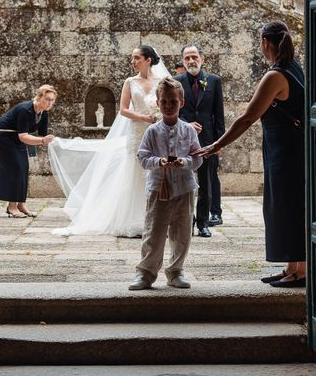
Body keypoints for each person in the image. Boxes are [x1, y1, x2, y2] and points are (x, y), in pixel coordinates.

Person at [194, 21, 306, 287]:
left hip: (286, 151)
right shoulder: (294, 68)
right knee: (283, 206)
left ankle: (301, 271)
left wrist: (216, 144)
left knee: (288, 207)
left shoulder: (275, 76)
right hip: (286, 147)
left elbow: (246, 118)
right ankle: (292, 266)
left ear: (266, 42)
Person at [49, 45, 170, 237]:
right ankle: (133, 219)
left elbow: (168, 104)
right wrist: (144, 117)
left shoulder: (163, 81)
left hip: (157, 131)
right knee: (135, 170)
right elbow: (123, 110)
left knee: (155, 171)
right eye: (132, 58)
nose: (133, 62)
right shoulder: (130, 82)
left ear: (148, 60)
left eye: (137, 58)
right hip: (137, 131)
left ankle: (157, 217)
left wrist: (159, 116)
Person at [129, 77, 202, 290]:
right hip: (158, 188)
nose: (169, 106)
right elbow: (142, 157)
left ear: (182, 103)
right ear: (158, 103)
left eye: (173, 102)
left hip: (185, 189)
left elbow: (197, 158)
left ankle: (175, 270)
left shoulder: (189, 131)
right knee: (154, 231)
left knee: (182, 233)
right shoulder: (152, 131)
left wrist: (185, 162)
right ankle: (146, 272)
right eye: (164, 102)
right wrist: (158, 161)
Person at [174, 45, 225, 238]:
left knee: (206, 183)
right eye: (187, 58)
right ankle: (184, 222)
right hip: (182, 140)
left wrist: (220, 143)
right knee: (182, 182)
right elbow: (173, 111)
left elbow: (218, 114)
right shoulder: (176, 81)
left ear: (202, 59)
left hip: (207, 140)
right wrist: (187, 125)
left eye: (194, 57)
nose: (191, 61)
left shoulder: (214, 81)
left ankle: (203, 223)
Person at [0, 85, 57, 218]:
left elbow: (42, 135)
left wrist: (55, 141)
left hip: (17, 137)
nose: (50, 103)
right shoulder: (25, 110)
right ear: (39, 97)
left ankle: (21, 204)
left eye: (52, 100)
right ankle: (12, 207)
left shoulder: (44, 112)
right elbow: (25, 136)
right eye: (47, 99)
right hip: (4, 136)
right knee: (16, 168)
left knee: (23, 168)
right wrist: (43, 141)